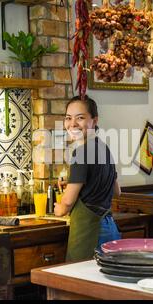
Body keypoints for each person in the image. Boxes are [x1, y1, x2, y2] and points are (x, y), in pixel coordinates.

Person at [54, 95, 122, 262]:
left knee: (82, 285)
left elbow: (68, 202)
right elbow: (117, 191)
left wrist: (60, 208)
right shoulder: (104, 149)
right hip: (110, 228)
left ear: (94, 120)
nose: (72, 124)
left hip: (90, 232)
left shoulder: (81, 153)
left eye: (80, 118)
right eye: (68, 118)